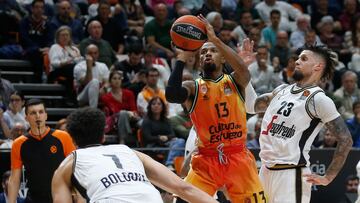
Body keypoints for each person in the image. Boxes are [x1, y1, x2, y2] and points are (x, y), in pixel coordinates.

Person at [165, 15, 265, 202]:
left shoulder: (235, 81)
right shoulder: (192, 87)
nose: (207, 54)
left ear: (222, 58)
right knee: (183, 199)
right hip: (206, 160)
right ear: (199, 60)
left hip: (238, 157)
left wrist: (214, 39)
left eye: (213, 51)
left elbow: (244, 71)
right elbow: (171, 95)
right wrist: (181, 59)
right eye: (203, 53)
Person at [51, 107, 219, 203]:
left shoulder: (67, 165)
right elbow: (183, 188)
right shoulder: (129, 152)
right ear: (103, 135)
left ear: (72, 139)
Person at [254, 45, 353, 202]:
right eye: (298, 58)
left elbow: (346, 139)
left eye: (304, 58)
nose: (297, 61)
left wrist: (328, 177)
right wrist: (242, 69)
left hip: (291, 175)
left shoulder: (319, 99)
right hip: (264, 171)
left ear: (318, 66)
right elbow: (251, 105)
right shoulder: (281, 90)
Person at [8, 99, 76, 203]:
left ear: (46, 115)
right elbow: (14, 179)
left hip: (61, 198)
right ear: (26, 118)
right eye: (33, 113)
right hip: (34, 198)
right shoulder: (18, 143)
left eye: (41, 112)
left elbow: (75, 170)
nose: (38, 116)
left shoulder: (63, 137)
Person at [73, 44, 109, 108]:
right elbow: (86, 82)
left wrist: (104, 88)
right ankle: (93, 110)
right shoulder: (79, 66)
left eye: (95, 53)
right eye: (90, 53)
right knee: (94, 82)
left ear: (98, 54)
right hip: (83, 95)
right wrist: (89, 67)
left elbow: (107, 82)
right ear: (86, 54)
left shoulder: (103, 66)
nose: (93, 55)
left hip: (100, 93)